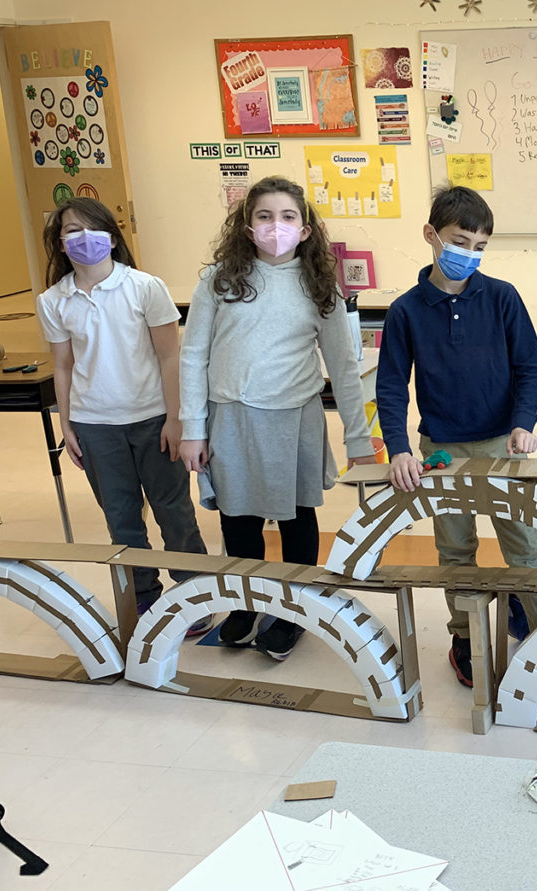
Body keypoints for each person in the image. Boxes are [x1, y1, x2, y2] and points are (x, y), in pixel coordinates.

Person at [377, 185, 537, 707]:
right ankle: (464, 636)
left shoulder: (502, 297)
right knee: (454, 550)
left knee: (524, 546)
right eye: (460, 241)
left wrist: (524, 422)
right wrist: (398, 447)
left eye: (480, 246)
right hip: (441, 449)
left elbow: (530, 366)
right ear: (431, 236)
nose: (469, 254)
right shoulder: (406, 311)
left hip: (502, 444)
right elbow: (391, 385)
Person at [179, 176, 375, 661]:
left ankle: (293, 609)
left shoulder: (318, 285)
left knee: (296, 517)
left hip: (295, 417)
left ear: (305, 229)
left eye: (288, 217)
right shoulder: (219, 280)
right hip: (232, 417)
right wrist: (192, 429)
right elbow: (192, 357)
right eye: (264, 216)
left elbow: (343, 368)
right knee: (238, 518)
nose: (275, 226)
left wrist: (358, 437)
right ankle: (245, 603)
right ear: (247, 227)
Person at [37, 198, 211, 632]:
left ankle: (196, 596)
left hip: (153, 418)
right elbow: (63, 365)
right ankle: (145, 600)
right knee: (121, 517)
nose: (82, 238)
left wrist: (177, 419)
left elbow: (171, 357)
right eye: (70, 231)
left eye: (90, 229)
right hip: (96, 425)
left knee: (174, 511)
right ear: (59, 244)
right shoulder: (54, 300)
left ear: (112, 237)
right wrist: (68, 424)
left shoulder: (145, 287)